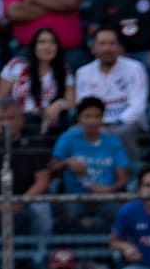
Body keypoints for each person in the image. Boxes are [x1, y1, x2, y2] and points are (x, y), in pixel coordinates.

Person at [0, 98, 54, 238]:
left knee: (41, 210)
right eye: (0, 119)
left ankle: (39, 257)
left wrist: (21, 203)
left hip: (28, 200)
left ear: (21, 119)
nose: (5, 124)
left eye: (11, 118)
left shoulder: (35, 141)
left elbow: (42, 180)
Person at [48, 96, 131, 231]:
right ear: (79, 118)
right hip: (75, 197)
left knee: (120, 214)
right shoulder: (68, 138)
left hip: (106, 197)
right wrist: (67, 163)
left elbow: (123, 178)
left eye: (97, 116)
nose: (92, 121)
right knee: (69, 216)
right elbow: (51, 170)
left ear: (102, 118)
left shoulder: (113, 142)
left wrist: (109, 189)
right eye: (87, 116)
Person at [75, 26, 149, 166]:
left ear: (119, 47)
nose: (107, 48)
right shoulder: (83, 72)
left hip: (126, 122)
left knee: (122, 133)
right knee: (72, 133)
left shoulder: (135, 68)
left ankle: (131, 177)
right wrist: (98, 123)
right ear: (94, 48)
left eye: (111, 43)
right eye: (102, 44)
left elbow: (138, 105)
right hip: (95, 122)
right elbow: (83, 104)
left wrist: (114, 123)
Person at [0, 27, 76, 135]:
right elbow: (0, 99)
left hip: (50, 123)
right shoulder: (16, 66)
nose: (48, 46)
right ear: (34, 47)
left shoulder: (64, 70)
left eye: (52, 42)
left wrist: (59, 104)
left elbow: (72, 102)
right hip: (18, 122)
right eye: (42, 42)